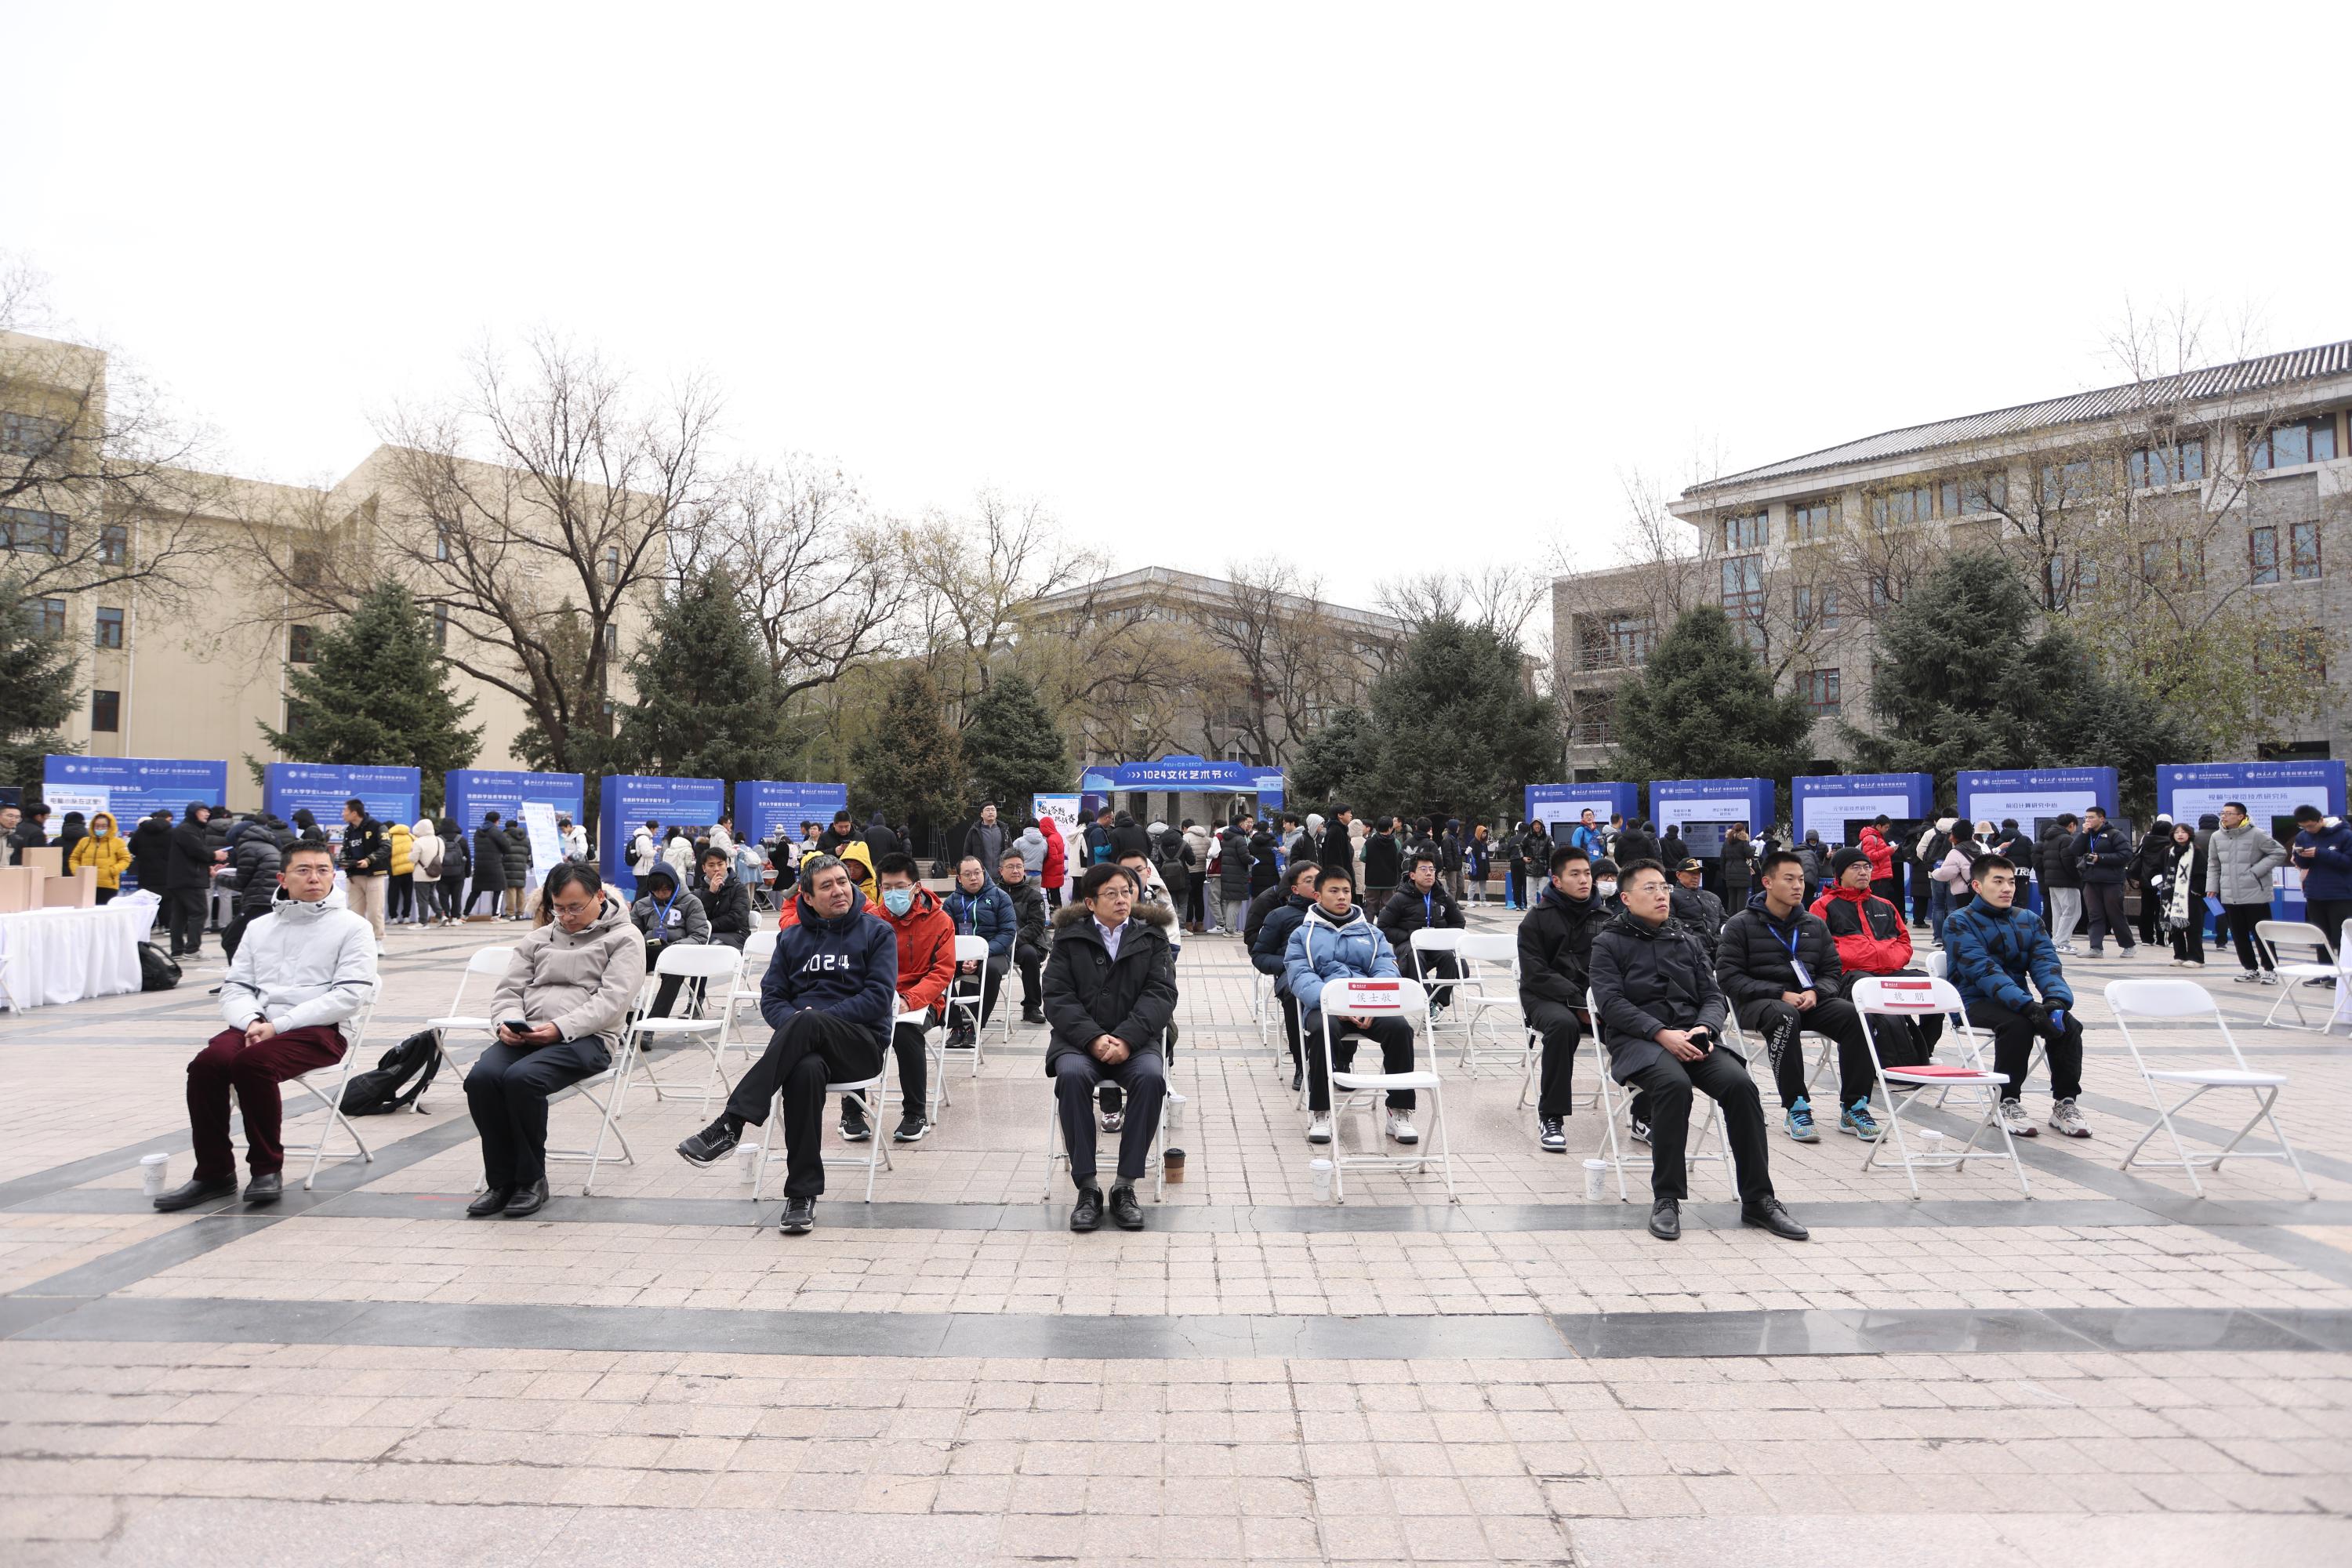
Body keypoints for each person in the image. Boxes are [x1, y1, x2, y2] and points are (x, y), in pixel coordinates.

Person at [1590, 859, 1808, 1243]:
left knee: (1741, 1086)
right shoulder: (1608, 943)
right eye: (1650, 888)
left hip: (1694, 1038)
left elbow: (1713, 995)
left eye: (1664, 887)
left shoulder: (1686, 939)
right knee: (1673, 1086)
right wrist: (1661, 1033)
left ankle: (1758, 1199)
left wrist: (1705, 1027)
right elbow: (1611, 1004)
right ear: (1626, 898)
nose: (1661, 895)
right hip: (1640, 1041)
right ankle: (1667, 1198)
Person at [151, 841, 378, 1211]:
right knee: (207, 1065)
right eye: (303, 870)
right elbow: (236, 987)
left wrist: (279, 1025)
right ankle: (214, 1173)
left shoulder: (353, 927)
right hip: (258, 1024)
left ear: (333, 875)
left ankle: (266, 1169)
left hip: (321, 1029)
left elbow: (349, 996)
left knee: (252, 1064)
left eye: (323, 870)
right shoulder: (259, 927)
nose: (314, 878)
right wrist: (253, 1020)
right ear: (282, 879)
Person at [674, 854, 894, 1233]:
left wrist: (815, 1020)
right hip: (803, 1048)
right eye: (826, 886)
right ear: (807, 897)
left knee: (807, 1021)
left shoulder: (877, 933)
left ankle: (731, 1122)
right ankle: (801, 1195)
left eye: (842, 882)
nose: (839, 891)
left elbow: (877, 999)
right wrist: (800, 1024)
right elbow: (773, 997)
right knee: (804, 1071)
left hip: (859, 1046)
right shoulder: (791, 938)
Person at [461, 862, 647, 1217]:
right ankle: (501, 1181)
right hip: (528, 1032)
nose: (566, 916)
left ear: (599, 897)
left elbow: (613, 1000)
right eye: (558, 908)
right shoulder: (538, 939)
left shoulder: (625, 938)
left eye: (575, 907)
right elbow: (508, 991)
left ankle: (531, 1180)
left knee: (523, 1079)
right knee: (482, 1079)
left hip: (588, 1038)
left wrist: (561, 1028)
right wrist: (505, 1023)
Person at [1039, 862, 1177, 1231]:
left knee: (1151, 1078)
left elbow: (1161, 994)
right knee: (1071, 1076)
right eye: (1111, 893)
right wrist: (1093, 1037)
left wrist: (1128, 1038)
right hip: (1079, 1042)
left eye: (1127, 892)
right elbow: (1056, 996)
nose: (1122, 900)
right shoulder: (1069, 938)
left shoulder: (1152, 936)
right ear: (1090, 902)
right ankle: (1087, 1188)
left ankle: (1124, 1186)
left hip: (1136, 1042)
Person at [1715, 848, 1883, 1144]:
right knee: (1785, 1016)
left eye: (1802, 880)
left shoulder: (1813, 924)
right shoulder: (1740, 925)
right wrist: (1780, 993)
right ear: (1767, 882)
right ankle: (1796, 1106)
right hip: (1759, 1005)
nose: (1798, 886)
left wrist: (1816, 992)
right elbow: (1729, 979)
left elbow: (1832, 972)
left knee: (1856, 1016)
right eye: (1789, 879)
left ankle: (1854, 1106)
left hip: (1807, 1002)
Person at [1944, 853, 2091, 1138]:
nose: (2007, 888)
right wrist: (2027, 1007)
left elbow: (2046, 963)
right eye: (1998, 881)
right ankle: (2006, 1102)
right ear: (1977, 886)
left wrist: (2055, 1001)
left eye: (2011, 882)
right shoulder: (1959, 922)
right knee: (2018, 1024)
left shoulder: (2029, 919)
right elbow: (1983, 971)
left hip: (2017, 1002)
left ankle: (2065, 1103)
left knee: (2066, 1023)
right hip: (1972, 1002)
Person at [1288, 862, 1420, 1148]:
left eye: (1346, 891)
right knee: (1322, 1031)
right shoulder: (1302, 935)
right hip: (1326, 1007)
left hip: (1369, 1005)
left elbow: (1386, 969)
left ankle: (1399, 1110)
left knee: (1400, 1028)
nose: (1342, 896)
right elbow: (1301, 978)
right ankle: (1321, 1110)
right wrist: (1337, 1004)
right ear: (1318, 896)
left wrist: (1371, 1004)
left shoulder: (1371, 933)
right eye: (1334, 891)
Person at [851, 852, 955, 1144]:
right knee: (852, 1028)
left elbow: (942, 973)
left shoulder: (940, 921)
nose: (892, 893)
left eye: (900, 887)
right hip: (879, 998)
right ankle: (852, 1112)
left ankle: (914, 1113)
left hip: (922, 1002)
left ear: (916, 887)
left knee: (905, 1033)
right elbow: (858, 967)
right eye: (887, 887)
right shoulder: (870, 921)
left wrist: (910, 1000)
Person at [1519, 842, 1612, 1152]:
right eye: (1575, 874)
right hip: (1546, 998)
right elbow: (1536, 973)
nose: (1584, 880)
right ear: (1557, 881)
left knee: (1634, 1025)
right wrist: (1580, 1003)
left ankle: (1644, 1115)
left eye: (1587, 873)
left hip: (1594, 999)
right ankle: (1551, 1117)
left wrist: (1596, 1003)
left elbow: (1615, 968)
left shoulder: (1606, 918)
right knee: (1563, 1026)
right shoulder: (1536, 919)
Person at [1810, 848, 1938, 1067]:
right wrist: (1864, 957)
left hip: (1889, 972)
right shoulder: (1822, 906)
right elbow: (1819, 948)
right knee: (1870, 989)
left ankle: (1923, 1050)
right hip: (1849, 976)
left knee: (1933, 987)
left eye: (1867, 867)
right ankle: (1881, 1058)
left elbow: (1904, 942)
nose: (1863, 872)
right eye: (1855, 867)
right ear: (1839, 874)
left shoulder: (1885, 905)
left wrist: (1888, 958)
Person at [1252, 862, 1325, 1091]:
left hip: (1330, 974)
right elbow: (1259, 956)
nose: (1316, 885)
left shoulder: (1338, 914)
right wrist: (1287, 964)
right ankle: (1302, 1065)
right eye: (1309, 881)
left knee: (1347, 992)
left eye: (1319, 879)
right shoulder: (1279, 916)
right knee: (1295, 996)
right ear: (1295, 889)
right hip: (1292, 974)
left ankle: (1342, 1063)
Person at [2206, 800, 2288, 983]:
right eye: (2222, 813)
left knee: (2262, 934)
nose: (2224, 816)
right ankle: (2250, 968)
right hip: (2229, 894)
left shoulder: (2257, 834)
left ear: (2241, 816)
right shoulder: (2217, 836)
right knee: (2238, 934)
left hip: (2255, 893)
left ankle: (2271, 969)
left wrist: (2256, 871)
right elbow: (2213, 863)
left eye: (2228, 813)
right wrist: (2212, 886)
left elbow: (2279, 852)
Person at [1377, 851, 1465, 1013]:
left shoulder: (1442, 896)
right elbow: (1383, 926)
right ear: (1412, 875)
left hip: (1436, 946)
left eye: (1432, 869)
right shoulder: (1400, 898)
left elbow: (1459, 922)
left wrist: (1443, 937)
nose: (1429, 873)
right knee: (1414, 957)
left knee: (1449, 957)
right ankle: (1427, 1003)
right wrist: (1411, 936)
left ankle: (1437, 1003)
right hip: (1409, 946)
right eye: (1423, 869)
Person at [942, 855, 1015, 1044]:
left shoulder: (1000, 897)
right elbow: (944, 936)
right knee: (938, 969)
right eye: (967, 874)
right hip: (960, 955)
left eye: (977, 873)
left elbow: (1008, 933)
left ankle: (975, 1026)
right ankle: (956, 1025)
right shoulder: (951, 902)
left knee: (990, 970)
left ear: (984, 872)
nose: (973, 878)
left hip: (993, 954)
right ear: (959, 878)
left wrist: (979, 955)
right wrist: (963, 955)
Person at [630, 862, 710, 1017]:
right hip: (649, 950)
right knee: (623, 965)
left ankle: (654, 1022)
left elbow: (699, 936)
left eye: (665, 890)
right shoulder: (642, 905)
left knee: (675, 970)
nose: (661, 894)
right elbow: (631, 934)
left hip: (677, 952)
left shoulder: (691, 902)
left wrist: (675, 947)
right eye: (656, 891)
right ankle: (632, 1016)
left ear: (674, 885)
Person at [2068, 806, 2138, 957]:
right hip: (2091, 880)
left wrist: (2101, 858)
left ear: (2102, 819)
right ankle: (2095, 948)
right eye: (2086, 817)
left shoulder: (2115, 834)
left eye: (2091, 817)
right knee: (2094, 914)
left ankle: (2128, 945)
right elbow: (2074, 851)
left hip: (2111, 881)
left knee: (2115, 914)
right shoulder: (2087, 835)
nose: (2088, 820)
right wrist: (2083, 833)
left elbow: (2126, 855)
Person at [2292, 804, 2352, 972]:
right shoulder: (2302, 836)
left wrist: (2320, 853)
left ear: (2320, 820)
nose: (2308, 830)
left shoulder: (2345, 834)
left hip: (2340, 895)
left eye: (2311, 826)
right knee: (2320, 938)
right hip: (2314, 894)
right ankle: (2325, 973)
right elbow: (2304, 865)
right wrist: (2300, 856)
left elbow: (2348, 862)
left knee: (2341, 938)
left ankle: (2344, 975)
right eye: (2303, 827)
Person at [999, 848, 1051, 1025]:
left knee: (1030, 955)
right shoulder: (993, 894)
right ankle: (970, 1006)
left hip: (1021, 943)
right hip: (996, 943)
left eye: (1019, 867)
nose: (1015, 871)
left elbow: (1036, 925)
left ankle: (1032, 1007)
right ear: (1001, 870)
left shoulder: (1033, 896)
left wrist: (1013, 941)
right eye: (1010, 867)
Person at [220, 819, 282, 962]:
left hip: (259, 901)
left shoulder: (248, 847)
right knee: (257, 942)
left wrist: (218, 877)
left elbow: (240, 883)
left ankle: (239, 974)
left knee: (230, 939)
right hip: (271, 900)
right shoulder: (268, 844)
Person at [336, 799, 391, 949]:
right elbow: (345, 849)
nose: (342, 814)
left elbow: (386, 847)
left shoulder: (377, 826)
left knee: (375, 910)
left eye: (345, 811)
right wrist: (343, 861)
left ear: (354, 813)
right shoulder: (349, 831)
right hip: (354, 875)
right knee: (354, 911)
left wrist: (369, 860)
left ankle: (377, 941)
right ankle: (358, 941)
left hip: (373, 874)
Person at [164, 803, 214, 958]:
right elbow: (197, 851)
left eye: (207, 811)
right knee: (199, 912)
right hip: (190, 879)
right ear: (193, 813)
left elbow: (192, 855)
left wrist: (208, 867)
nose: (206, 814)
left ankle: (177, 950)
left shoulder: (191, 829)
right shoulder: (187, 829)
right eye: (202, 811)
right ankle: (192, 950)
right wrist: (214, 855)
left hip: (182, 878)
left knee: (180, 915)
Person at [2154, 822, 2204, 966]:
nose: (2180, 835)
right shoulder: (2167, 851)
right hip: (2170, 894)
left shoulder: (2196, 851)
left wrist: (2195, 890)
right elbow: (2156, 868)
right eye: (2177, 832)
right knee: (2175, 927)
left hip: (2190, 896)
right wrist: (2160, 883)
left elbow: (2202, 873)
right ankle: (2179, 955)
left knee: (2193, 928)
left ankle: (2196, 958)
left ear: (2189, 834)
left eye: (2183, 832)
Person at [1927, 819, 1982, 948]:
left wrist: (1935, 872)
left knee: (1960, 922)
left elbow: (1945, 874)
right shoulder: (1978, 849)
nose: (1950, 838)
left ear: (1958, 835)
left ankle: (1955, 947)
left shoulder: (1956, 852)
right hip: (1977, 891)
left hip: (1962, 894)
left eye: (1952, 834)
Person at [2037, 813, 2083, 953]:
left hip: (2052, 881)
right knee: (2072, 912)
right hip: (2066, 881)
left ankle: (2056, 941)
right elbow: (2069, 862)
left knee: (2058, 913)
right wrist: (2078, 877)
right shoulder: (2066, 839)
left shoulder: (2049, 839)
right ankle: (2062, 942)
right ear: (2071, 825)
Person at [2131, 815, 2177, 949]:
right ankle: (2162, 939)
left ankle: (2146, 938)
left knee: (2146, 910)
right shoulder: (2172, 842)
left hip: (2147, 880)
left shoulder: (2146, 840)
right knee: (2164, 909)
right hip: (2165, 881)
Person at [694, 844, 752, 949]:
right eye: (711, 865)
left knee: (712, 946)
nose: (716, 869)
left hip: (736, 934)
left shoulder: (739, 888)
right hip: (706, 935)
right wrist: (711, 894)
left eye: (720, 864)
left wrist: (707, 926)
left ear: (726, 864)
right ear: (704, 868)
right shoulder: (698, 893)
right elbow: (697, 919)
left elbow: (736, 919)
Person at [68, 810, 131, 904]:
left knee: (104, 911)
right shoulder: (84, 841)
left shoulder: (118, 842)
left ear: (110, 826)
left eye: (103, 826)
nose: (100, 828)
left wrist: (112, 871)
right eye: (97, 826)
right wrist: (77, 871)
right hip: (86, 884)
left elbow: (125, 859)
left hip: (108, 886)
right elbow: (74, 859)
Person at [1668, 858, 1726, 942]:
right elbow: (1670, 920)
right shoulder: (1670, 895)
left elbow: (1725, 922)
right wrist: (1695, 937)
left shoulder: (1713, 897)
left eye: (1698, 873)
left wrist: (1719, 938)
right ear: (1679, 875)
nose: (1696, 877)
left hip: (1718, 945)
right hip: (1689, 944)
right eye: (1692, 873)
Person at [1212, 816, 1252, 935]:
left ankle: (1230, 928)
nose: (1247, 825)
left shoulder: (1227, 837)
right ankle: (1230, 930)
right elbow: (1245, 857)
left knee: (1231, 902)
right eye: (1245, 823)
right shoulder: (1240, 839)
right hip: (1237, 875)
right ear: (1240, 824)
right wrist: (1254, 859)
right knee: (1236, 902)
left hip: (1228, 874)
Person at [467, 811, 509, 916]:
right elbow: (506, 846)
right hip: (495, 865)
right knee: (499, 889)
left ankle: (464, 915)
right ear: (497, 821)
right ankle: (495, 915)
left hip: (479, 866)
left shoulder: (478, 831)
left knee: (476, 891)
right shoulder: (496, 831)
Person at [1363, 815, 1403, 911]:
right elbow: (1399, 858)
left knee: (1370, 907)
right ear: (1390, 829)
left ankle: (1369, 921)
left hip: (1372, 880)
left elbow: (1363, 857)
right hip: (1390, 881)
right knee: (1388, 907)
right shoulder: (1396, 843)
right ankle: (1385, 921)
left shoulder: (1369, 842)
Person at [409, 818, 444, 926]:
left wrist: (409, 854)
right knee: (431, 896)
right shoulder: (439, 840)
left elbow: (413, 859)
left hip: (421, 875)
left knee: (422, 899)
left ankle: (423, 922)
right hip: (435, 873)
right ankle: (441, 915)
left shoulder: (418, 842)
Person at [436, 815, 470, 926]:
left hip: (441, 873)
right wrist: (467, 873)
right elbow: (467, 857)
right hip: (459, 873)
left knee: (443, 896)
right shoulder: (461, 839)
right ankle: (455, 917)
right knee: (457, 896)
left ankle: (445, 917)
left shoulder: (438, 839)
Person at [1858, 815, 1898, 907]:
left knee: (1880, 903)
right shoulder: (1870, 838)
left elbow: (1879, 855)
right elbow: (1869, 856)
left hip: (1880, 876)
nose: (1887, 830)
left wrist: (1890, 851)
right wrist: (1888, 850)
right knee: (1877, 904)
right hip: (1876, 877)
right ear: (1879, 826)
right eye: (1886, 827)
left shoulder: (1878, 837)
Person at [964, 801, 1007, 881]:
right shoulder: (974, 831)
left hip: (1001, 876)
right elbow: (967, 852)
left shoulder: (1004, 830)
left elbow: (1010, 850)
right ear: (981, 814)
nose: (991, 812)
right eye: (987, 810)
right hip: (981, 876)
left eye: (993, 810)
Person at [1037, 811, 1070, 912]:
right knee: (1057, 896)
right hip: (1057, 873)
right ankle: (1060, 917)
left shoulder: (1050, 839)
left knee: (1052, 900)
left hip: (1051, 874)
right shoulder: (1058, 836)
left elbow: (1053, 858)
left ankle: (1055, 918)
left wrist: (1043, 868)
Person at [387, 815, 415, 926]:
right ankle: (406, 916)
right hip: (409, 870)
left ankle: (393, 917)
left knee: (393, 895)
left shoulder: (389, 838)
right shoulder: (410, 836)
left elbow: (386, 854)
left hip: (395, 871)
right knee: (408, 894)